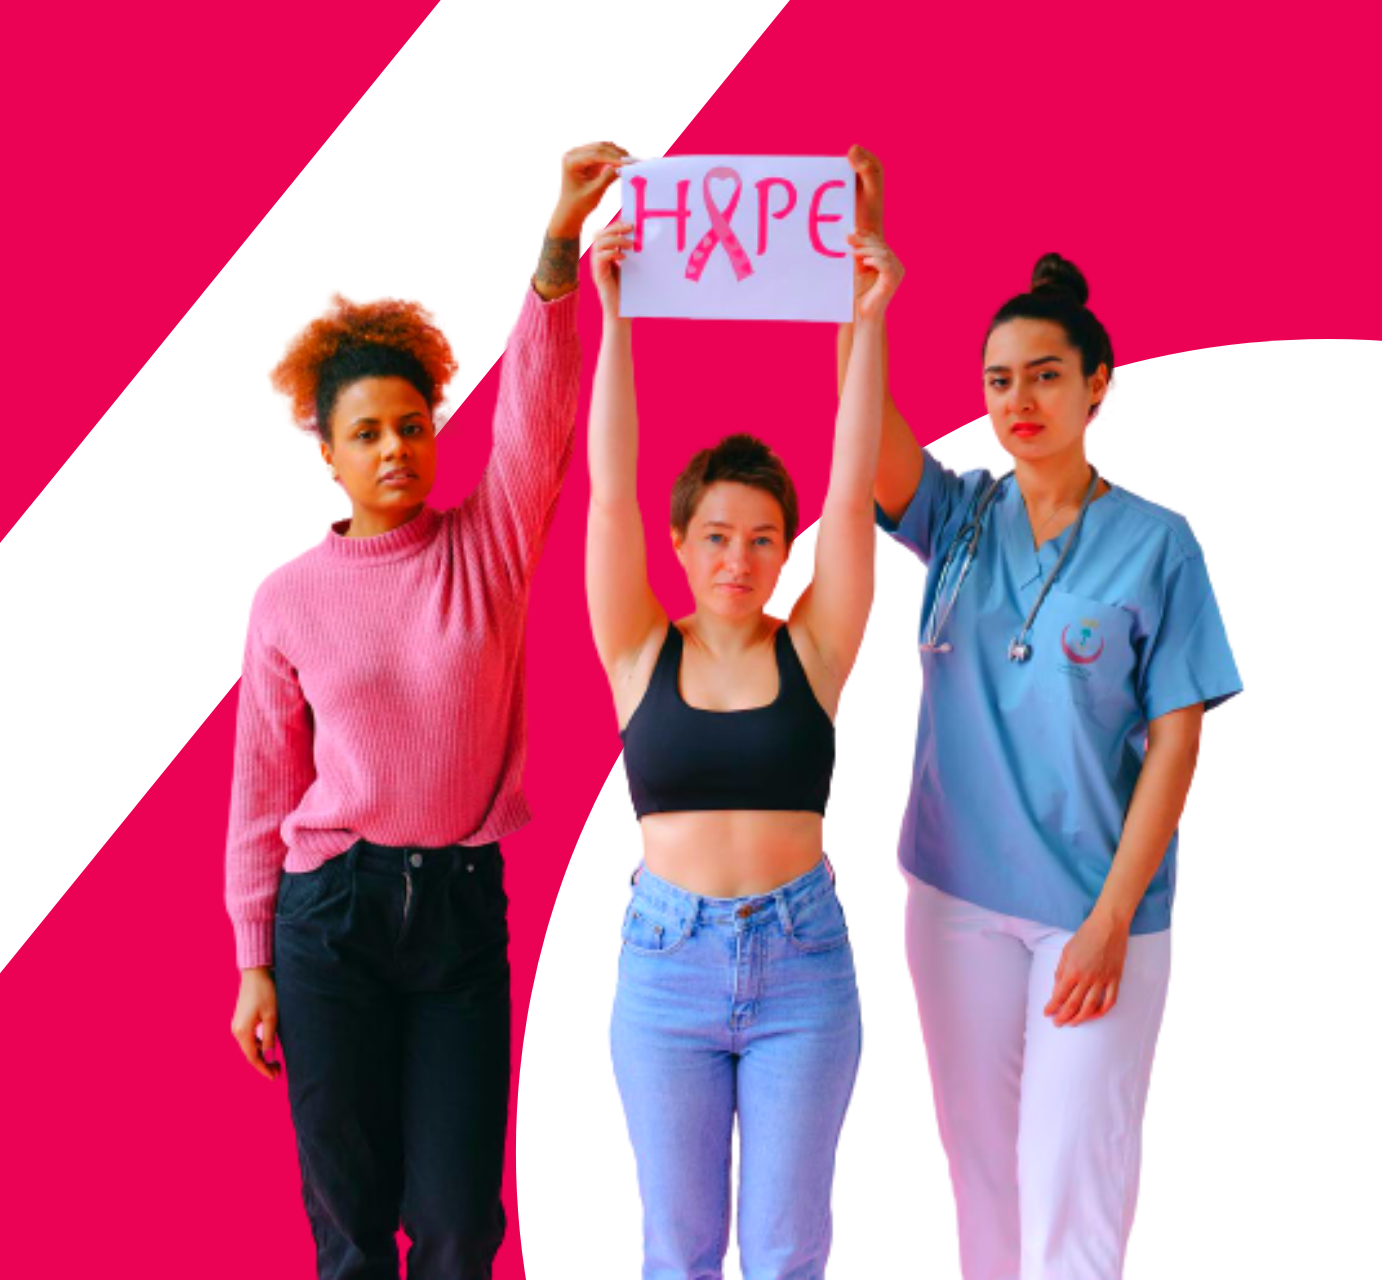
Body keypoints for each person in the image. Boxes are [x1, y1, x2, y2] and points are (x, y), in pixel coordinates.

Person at [222, 142, 626, 1280]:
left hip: (455, 914)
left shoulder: (487, 549)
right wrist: (254, 957)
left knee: (456, 1221)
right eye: (367, 433)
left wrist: (555, 254)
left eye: (411, 423)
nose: (396, 448)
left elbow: (539, 423)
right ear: (331, 454)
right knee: (350, 1229)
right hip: (329, 920)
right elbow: (262, 789)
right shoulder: (287, 600)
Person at [840, 147, 1242, 1280]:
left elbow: (1177, 738)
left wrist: (1112, 917)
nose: (1017, 401)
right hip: (954, 899)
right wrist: (866, 295)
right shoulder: (957, 517)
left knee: (1074, 1179)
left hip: (1091, 910)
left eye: (1045, 375)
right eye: (998, 378)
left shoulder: (1158, 543)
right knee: (981, 1172)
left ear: (1098, 381)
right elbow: (859, 427)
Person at [584, 213, 902, 1279]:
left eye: (764, 537)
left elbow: (852, 494)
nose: (739, 557)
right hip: (666, 970)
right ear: (678, 542)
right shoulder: (635, 645)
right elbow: (608, 485)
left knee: (784, 1250)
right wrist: (615, 322)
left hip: (802, 967)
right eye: (717, 535)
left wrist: (865, 323)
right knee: (678, 1252)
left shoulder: (814, 646)